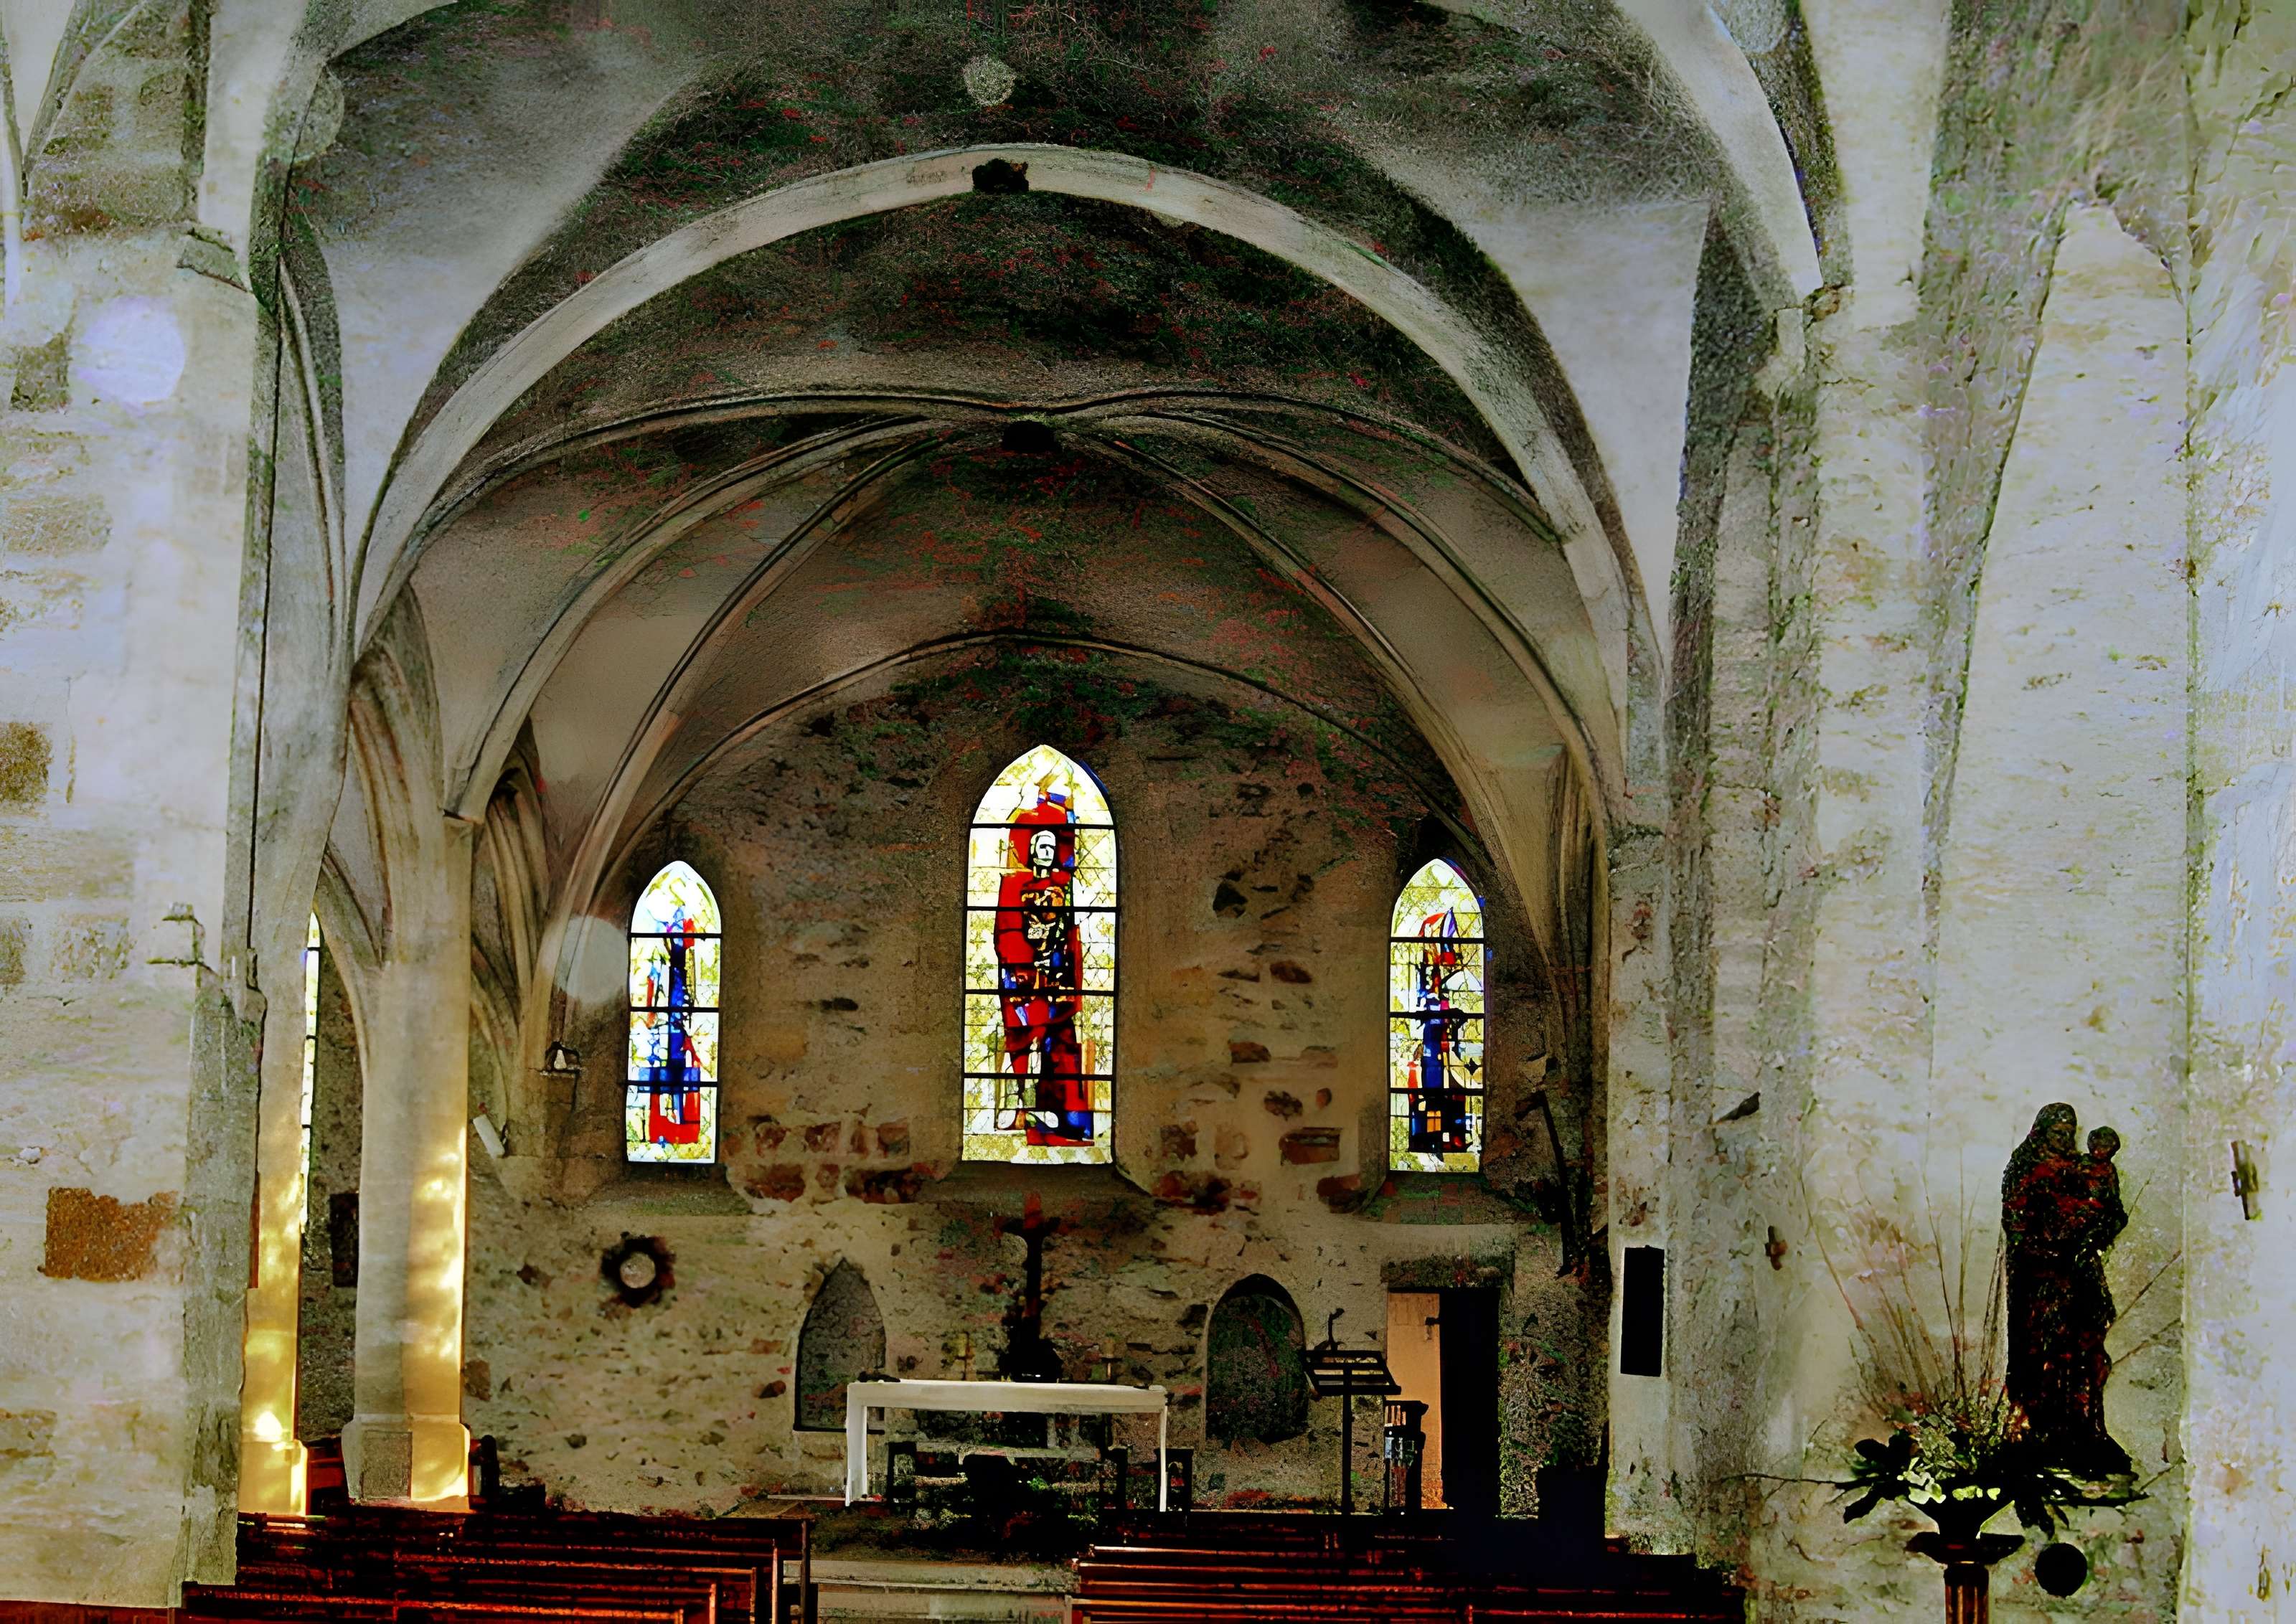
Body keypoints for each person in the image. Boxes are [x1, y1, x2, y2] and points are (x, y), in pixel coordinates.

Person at [2000, 1104, 2131, 1475]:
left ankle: (2085, 1433)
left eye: (2069, 1133)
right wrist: (2048, 1248)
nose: (2064, 1139)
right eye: (2058, 1132)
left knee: (2086, 1353)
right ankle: (2039, 1434)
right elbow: (2016, 1224)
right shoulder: (2024, 1166)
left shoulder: (2083, 1167)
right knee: (2043, 1354)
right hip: (2038, 1281)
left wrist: (2094, 1236)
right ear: (2041, 1131)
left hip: (2078, 1273)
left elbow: (2114, 1213)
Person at [992, 779, 1093, 1146]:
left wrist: (1061, 965)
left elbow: (1070, 932)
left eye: (1052, 847)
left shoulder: (1065, 887)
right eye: (1041, 846)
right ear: (1031, 850)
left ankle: (1045, 1107)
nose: (1047, 852)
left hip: (1054, 974)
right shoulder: (1012, 885)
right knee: (1019, 1036)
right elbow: (1004, 929)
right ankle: (1016, 1103)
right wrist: (1023, 964)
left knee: (1051, 1038)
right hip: (1020, 976)